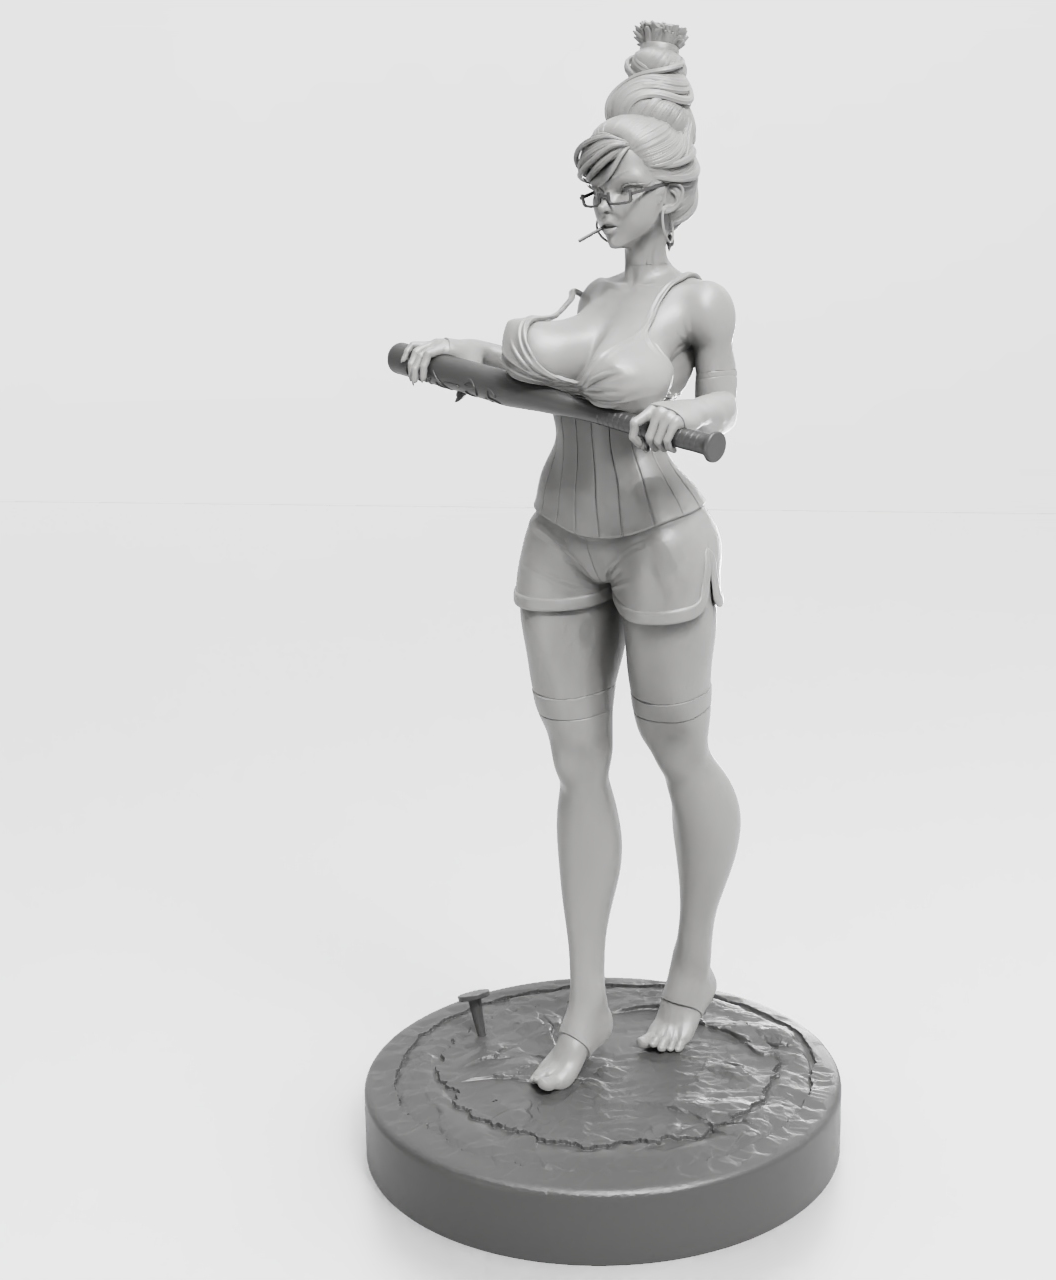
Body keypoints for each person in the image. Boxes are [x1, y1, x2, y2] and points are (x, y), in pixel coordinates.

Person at [398, 22, 739, 1092]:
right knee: (576, 767)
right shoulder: (586, 302)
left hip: (659, 538)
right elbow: (518, 377)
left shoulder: (696, 300)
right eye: (597, 192)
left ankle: (691, 968)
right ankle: (585, 1001)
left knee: (679, 754)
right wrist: (446, 356)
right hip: (557, 538)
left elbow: (725, 400)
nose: (607, 208)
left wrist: (685, 418)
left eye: (624, 190)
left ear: (672, 195)